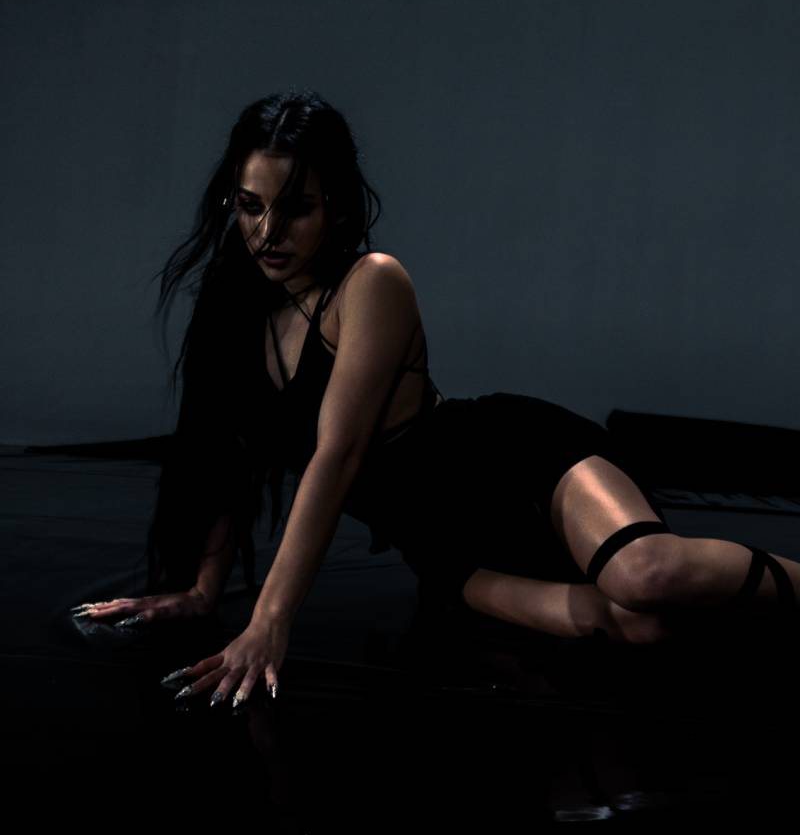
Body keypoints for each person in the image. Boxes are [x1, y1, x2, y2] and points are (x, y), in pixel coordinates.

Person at [73, 90, 800, 708]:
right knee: (645, 626)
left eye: (295, 209)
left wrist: (269, 621)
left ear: (335, 205)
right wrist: (204, 591)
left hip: (517, 465)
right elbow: (224, 455)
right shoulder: (236, 313)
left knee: (646, 575)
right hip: (448, 548)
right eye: (250, 206)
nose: (268, 233)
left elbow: (339, 453)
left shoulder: (370, 283)